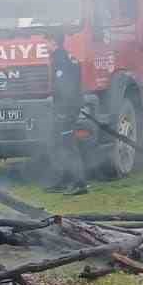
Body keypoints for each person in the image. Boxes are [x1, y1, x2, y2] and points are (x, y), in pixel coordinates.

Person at [51, 30, 88, 194]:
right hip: (69, 106)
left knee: (69, 146)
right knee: (61, 145)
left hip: (67, 108)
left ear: (54, 42)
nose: (44, 45)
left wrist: (62, 110)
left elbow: (65, 88)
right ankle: (64, 180)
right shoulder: (65, 56)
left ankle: (79, 184)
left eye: (46, 41)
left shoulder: (61, 59)